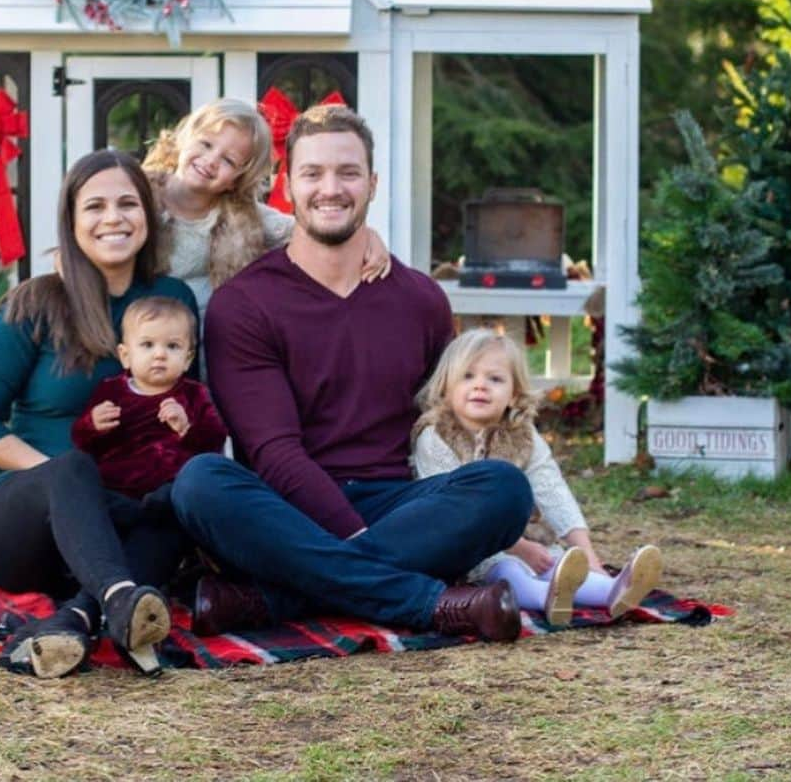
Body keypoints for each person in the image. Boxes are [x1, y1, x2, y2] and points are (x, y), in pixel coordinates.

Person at [171, 105, 534, 641]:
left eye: (348, 173)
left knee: (504, 488)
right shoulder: (244, 303)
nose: (331, 189)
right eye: (313, 173)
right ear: (287, 186)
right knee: (200, 482)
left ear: (373, 184)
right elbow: (273, 453)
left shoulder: (421, 300)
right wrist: (354, 534)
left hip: (397, 503)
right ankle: (431, 604)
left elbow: (447, 415)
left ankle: (271, 598)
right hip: (282, 509)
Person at [0, 149, 199, 678]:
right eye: (95, 206)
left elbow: (191, 408)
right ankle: (118, 595)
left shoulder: (171, 301)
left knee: (175, 502)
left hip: (119, 523)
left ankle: (73, 620)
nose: (113, 217)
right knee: (75, 467)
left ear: (148, 218)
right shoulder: (34, 303)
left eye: (128, 203)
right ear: (71, 221)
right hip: (24, 524)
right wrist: (60, 478)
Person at [411, 329, 663, 626]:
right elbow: (454, 513)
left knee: (555, 564)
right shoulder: (435, 437)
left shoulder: (523, 435)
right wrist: (521, 549)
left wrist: (589, 556)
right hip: (465, 548)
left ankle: (614, 590)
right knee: (508, 571)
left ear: (513, 394)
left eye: (495, 379)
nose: (480, 386)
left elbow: (552, 490)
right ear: (445, 387)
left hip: (525, 541)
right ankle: (546, 597)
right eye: (467, 376)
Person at [141, 98, 389, 333]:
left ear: (237, 180)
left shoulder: (242, 218)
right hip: (142, 344)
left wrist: (367, 237)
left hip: (203, 353)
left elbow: (309, 229)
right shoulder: (139, 198)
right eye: (205, 144)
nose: (211, 160)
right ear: (184, 139)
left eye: (228, 160)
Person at [71, 296, 227, 500]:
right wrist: (93, 424)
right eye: (147, 345)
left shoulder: (193, 394)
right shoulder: (111, 391)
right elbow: (81, 441)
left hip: (174, 488)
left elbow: (215, 440)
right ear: (125, 356)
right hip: (117, 487)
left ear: (188, 359)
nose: (160, 354)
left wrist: (186, 428)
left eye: (172, 346)